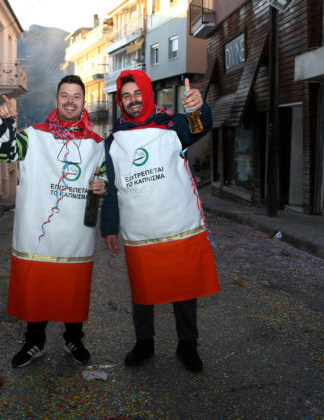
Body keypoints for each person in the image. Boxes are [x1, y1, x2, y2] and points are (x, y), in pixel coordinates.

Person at [100, 70, 220, 372]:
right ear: (120, 102)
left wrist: (199, 107)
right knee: (143, 292)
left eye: (137, 93)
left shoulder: (173, 125)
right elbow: (111, 188)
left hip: (178, 226)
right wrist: (109, 227)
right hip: (139, 233)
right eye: (126, 96)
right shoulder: (113, 142)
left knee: (185, 290)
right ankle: (144, 343)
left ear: (147, 94)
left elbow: (202, 126)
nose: (133, 100)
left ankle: (188, 345)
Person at [0, 75, 105, 368]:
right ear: (56, 100)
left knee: (73, 288)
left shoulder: (96, 144)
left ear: (83, 102)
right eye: (65, 95)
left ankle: (73, 338)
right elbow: (3, 152)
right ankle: (34, 342)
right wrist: (5, 123)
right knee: (37, 287)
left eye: (76, 96)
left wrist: (102, 184)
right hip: (38, 233)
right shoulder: (33, 135)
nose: (70, 101)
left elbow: (104, 176)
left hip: (76, 234)